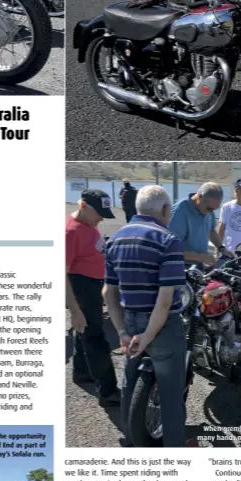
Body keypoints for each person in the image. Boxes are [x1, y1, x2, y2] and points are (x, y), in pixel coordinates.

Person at [104, 186, 188, 447]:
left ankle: (131, 440)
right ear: (164, 209)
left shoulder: (115, 239)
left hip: (129, 320)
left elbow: (108, 293)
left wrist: (122, 333)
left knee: (129, 386)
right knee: (171, 395)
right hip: (162, 328)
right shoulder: (168, 240)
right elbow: (164, 301)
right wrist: (149, 335)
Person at [66, 189, 120, 407]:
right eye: (99, 213)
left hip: (94, 284)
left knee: (84, 332)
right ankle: (108, 391)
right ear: (84, 206)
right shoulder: (71, 232)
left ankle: (81, 373)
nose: (101, 219)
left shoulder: (90, 225)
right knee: (96, 338)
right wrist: (75, 310)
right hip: (81, 286)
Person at [169, 182, 233, 265]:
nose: (211, 212)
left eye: (214, 209)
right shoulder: (179, 212)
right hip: (181, 268)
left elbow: (211, 231)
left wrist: (221, 248)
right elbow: (171, 250)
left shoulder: (209, 209)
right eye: (209, 209)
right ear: (199, 197)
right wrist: (200, 257)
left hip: (199, 267)